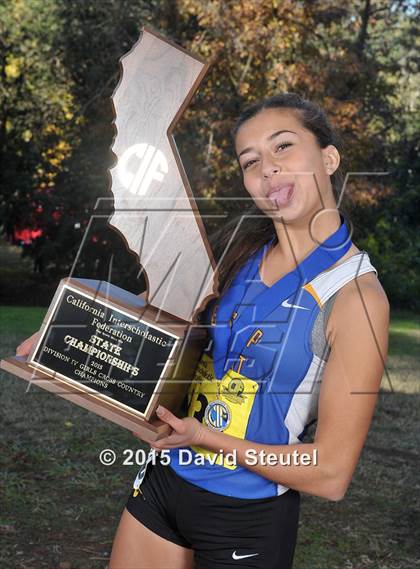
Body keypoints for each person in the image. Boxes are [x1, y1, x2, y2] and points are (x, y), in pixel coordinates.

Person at [17, 93, 390, 569]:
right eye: (251, 160)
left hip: (245, 513)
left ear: (329, 157)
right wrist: (65, 328)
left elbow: (331, 473)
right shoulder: (238, 257)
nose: (268, 169)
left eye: (283, 147)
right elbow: (173, 331)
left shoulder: (357, 296)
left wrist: (202, 437)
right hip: (164, 480)